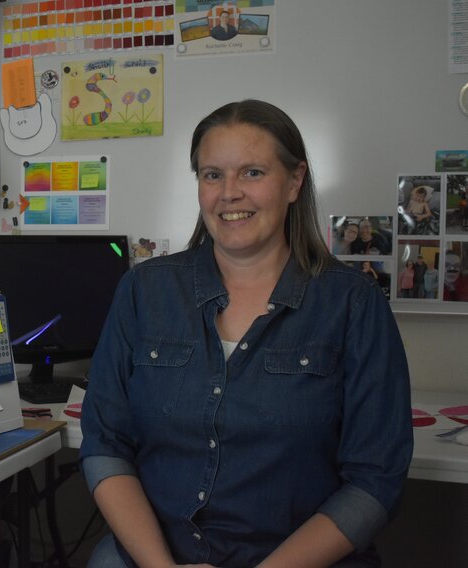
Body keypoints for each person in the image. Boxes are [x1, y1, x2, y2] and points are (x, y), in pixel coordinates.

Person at [80, 99, 412, 567]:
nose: (229, 193)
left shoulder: (354, 303)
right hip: (156, 554)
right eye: (212, 174)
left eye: (252, 173)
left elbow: (375, 479)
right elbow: (105, 443)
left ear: (294, 181)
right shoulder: (144, 291)